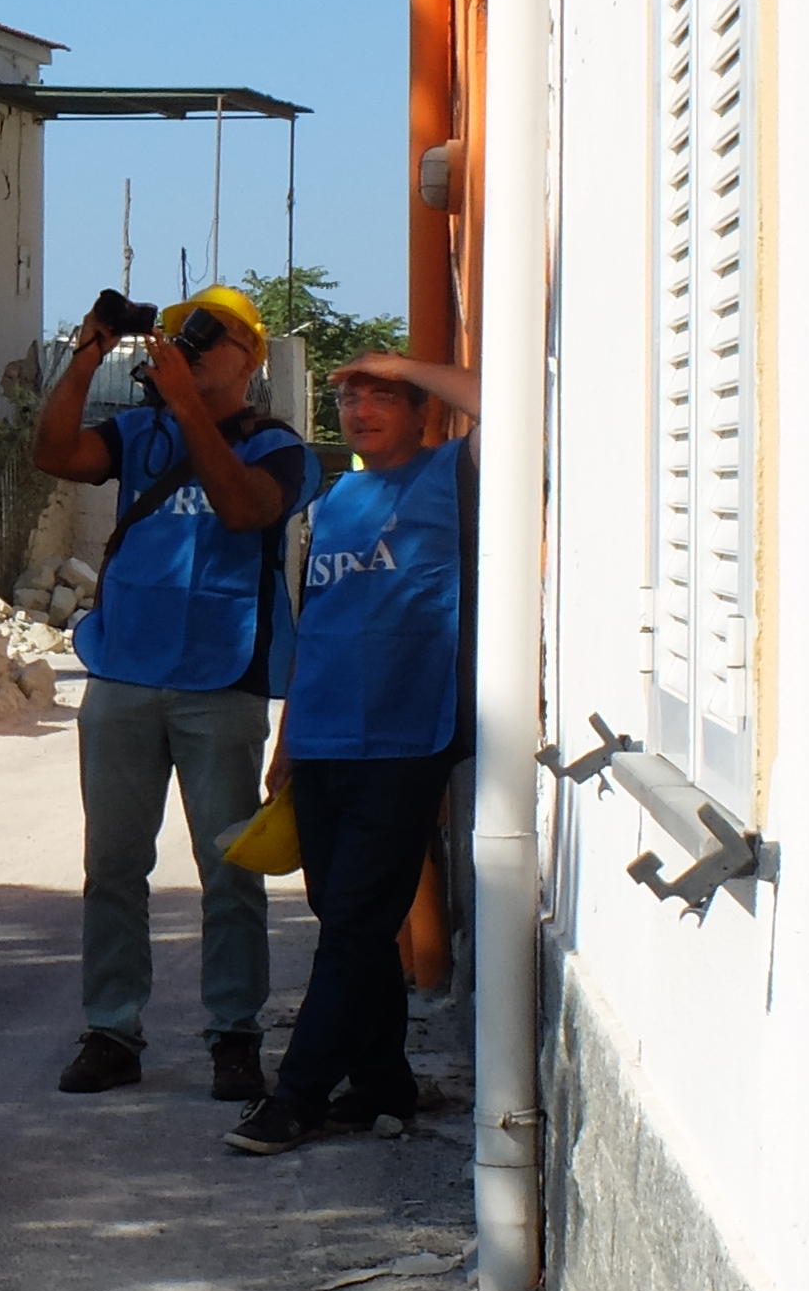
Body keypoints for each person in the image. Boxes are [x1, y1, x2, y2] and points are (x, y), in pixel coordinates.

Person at [33, 283, 322, 1100]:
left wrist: (190, 407)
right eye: (187, 334)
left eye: (214, 335)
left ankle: (234, 1036)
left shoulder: (279, 448)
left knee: (228, 871)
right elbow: (54, 455)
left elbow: (243, 510)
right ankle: (111, 1030)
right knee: (114, 866)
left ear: (251, 358)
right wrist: (88, 355)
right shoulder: (140, 432)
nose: (194, 346)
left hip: (223, 680)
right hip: (124, 672)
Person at [227, 350, 479, 1155]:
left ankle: (296, 1095)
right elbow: (320, 623)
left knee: (357, 922)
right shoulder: (335, 501)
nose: (361, 411)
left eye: (382, 398)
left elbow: (515, 405)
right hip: (326, 736)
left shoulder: (450, 476)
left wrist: (408, 361)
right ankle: (383, 1083)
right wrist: (289, 737)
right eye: (350, 399)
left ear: (419, 414)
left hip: (409, 736)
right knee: (345, 917)